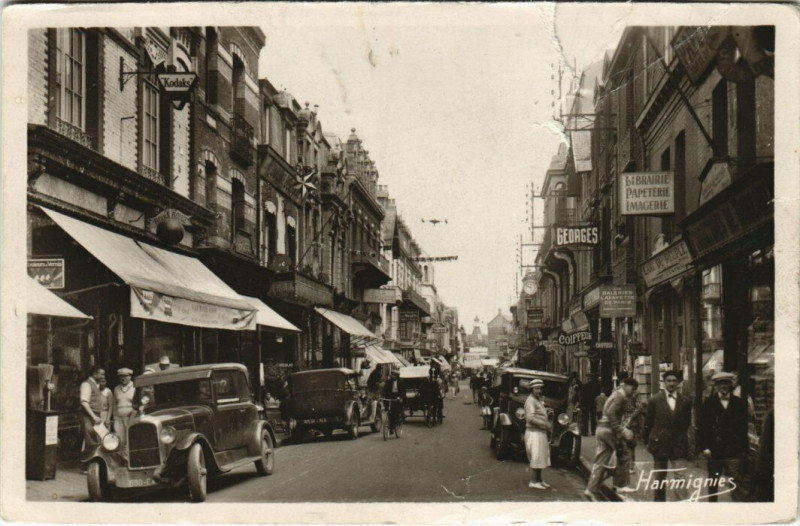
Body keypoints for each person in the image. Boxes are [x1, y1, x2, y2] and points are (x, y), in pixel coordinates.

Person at [698, 371, 749, 502]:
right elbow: (703, 427)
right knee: (713, 480)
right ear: (716, 386)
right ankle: (713, 508)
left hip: (734, 450)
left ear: (731, 385)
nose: (723, 386)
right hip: (715, 449)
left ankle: (735, 508)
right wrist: (705, 447)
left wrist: (743, 449)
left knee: (735, 480)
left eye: (726, 383)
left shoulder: (739, 403)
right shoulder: (709, 402)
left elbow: (743, 428)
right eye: (720, 383)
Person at [584, 377, 638, 501]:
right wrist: (620, 430)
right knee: (624, 454)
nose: (633, 392)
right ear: (627, 386)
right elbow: (611, 413)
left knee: (601, 461)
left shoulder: (615, 394)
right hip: (609, 431)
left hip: (601, 429)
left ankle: (591, 488)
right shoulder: (621, 396)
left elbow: (607, 411)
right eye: (633, 389)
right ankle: (620, 485)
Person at [643, 370, 693, 501]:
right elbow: (648, 421)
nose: (671, 383)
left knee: (680, 477)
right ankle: (660, 506)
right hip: (660, 444)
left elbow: (687, 422)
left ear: (678, 383)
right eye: (669, 381)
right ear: (664, 383)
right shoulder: (654, 400)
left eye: (674, 381)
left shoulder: (686, 401)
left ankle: (681, 506)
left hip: (679, 444)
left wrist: (680, 435)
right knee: (659, 477)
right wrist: (648, 440)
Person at [524, 379, 552, 490]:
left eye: (540, 388)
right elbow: (530, 418)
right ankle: (533, 481)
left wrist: (547, 412)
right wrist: (546, 425)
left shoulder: (538, 400)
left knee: (541, 456)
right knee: (536, 456)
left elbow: (539, 413)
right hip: (534, 432)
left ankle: (539, 480)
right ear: (532, 389)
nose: (539, 390)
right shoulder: (530, 401)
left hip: (540, 432)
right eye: (536, 388)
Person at [79, 367, 106, 451]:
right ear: (94, 374)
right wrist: (94, 416)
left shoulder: (95, 384)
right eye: (101, 374)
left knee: (96, 439)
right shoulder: (86, 384)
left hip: (94, 416)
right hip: (88, 416)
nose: (103, 377)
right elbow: (84, 402)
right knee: (91, 441)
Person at [112, 368, 136, 444]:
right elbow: (114, 404)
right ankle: (122, 456)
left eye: (125, 376)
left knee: (131, 439)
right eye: (120, 376)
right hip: (119, 419)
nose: (123, 378)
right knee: (120, 440)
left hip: (131, 417)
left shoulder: (135, 387)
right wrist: (115, 417)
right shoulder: (116, 389)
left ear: (130, 376)